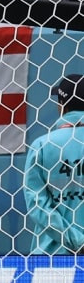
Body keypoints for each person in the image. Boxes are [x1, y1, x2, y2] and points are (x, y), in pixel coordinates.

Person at [24, 74, 84, 255]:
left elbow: (37, 204)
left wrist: (77, 241)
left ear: (61, 105)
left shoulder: (42, 146)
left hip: (51, 257)